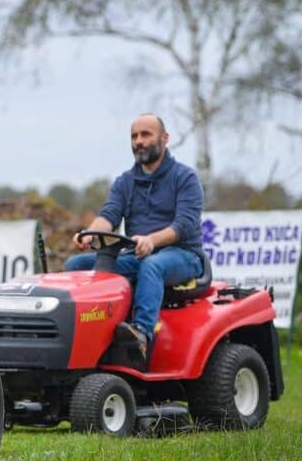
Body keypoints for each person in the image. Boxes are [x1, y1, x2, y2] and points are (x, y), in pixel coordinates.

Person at [66, 114, 204, 364]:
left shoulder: (185, 178)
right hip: (137, 254)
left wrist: (151, 240)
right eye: (134, 136)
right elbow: (108, 216)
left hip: (183, 255)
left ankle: (141, 334)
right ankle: (81, 336)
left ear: (164, 138)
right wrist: (89, 234)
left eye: (146, 134)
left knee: (152, 266)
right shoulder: (125, 182)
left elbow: (184, 225)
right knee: (76, 266)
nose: (139, 141)